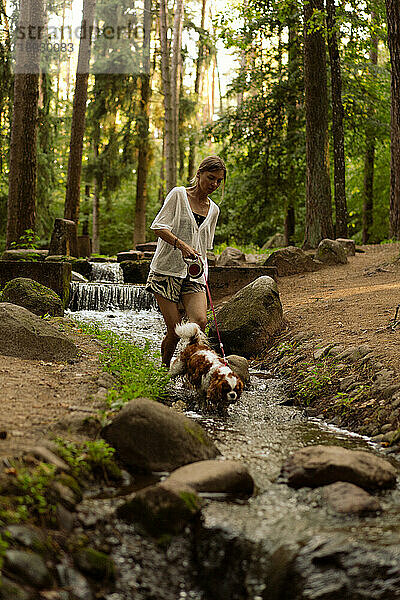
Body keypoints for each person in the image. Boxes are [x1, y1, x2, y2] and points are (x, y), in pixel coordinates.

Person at [145, 155, 226, 367]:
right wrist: (181, 246)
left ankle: (190, 371)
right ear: (198, 174)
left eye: (219, 181)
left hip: (195, 273)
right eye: (210, 178)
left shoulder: (214, 210)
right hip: (166, 270)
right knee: (174, 332)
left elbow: (204, 245)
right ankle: (164, 371)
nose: (214, 184)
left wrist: (201, 264)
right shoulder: (179, 194)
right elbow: (158, 227)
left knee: (199, 323)